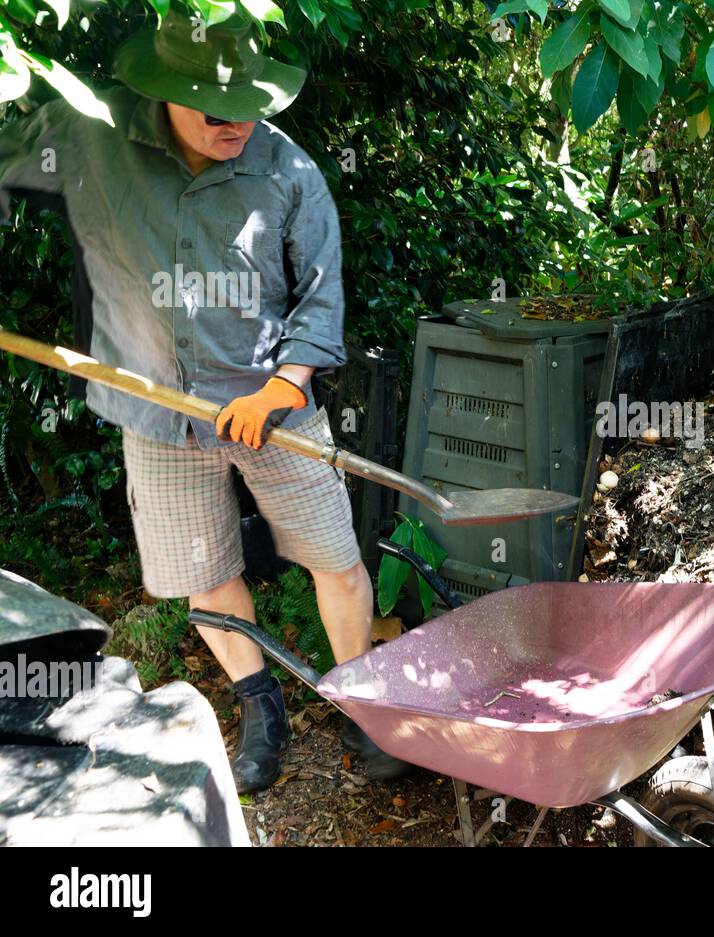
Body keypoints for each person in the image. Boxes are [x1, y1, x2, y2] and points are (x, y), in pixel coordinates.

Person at [0, 9, 409, 791]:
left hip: (274, 412)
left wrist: (282, 386)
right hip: (154, 414)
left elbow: (321, 302)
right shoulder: (88, 134)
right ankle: (261, 706)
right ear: (163, 94)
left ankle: (364, 701)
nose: (235, 124)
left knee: (338, 562)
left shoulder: (290, 173)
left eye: (249, 106)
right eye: (214, 111)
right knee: (205, 571)